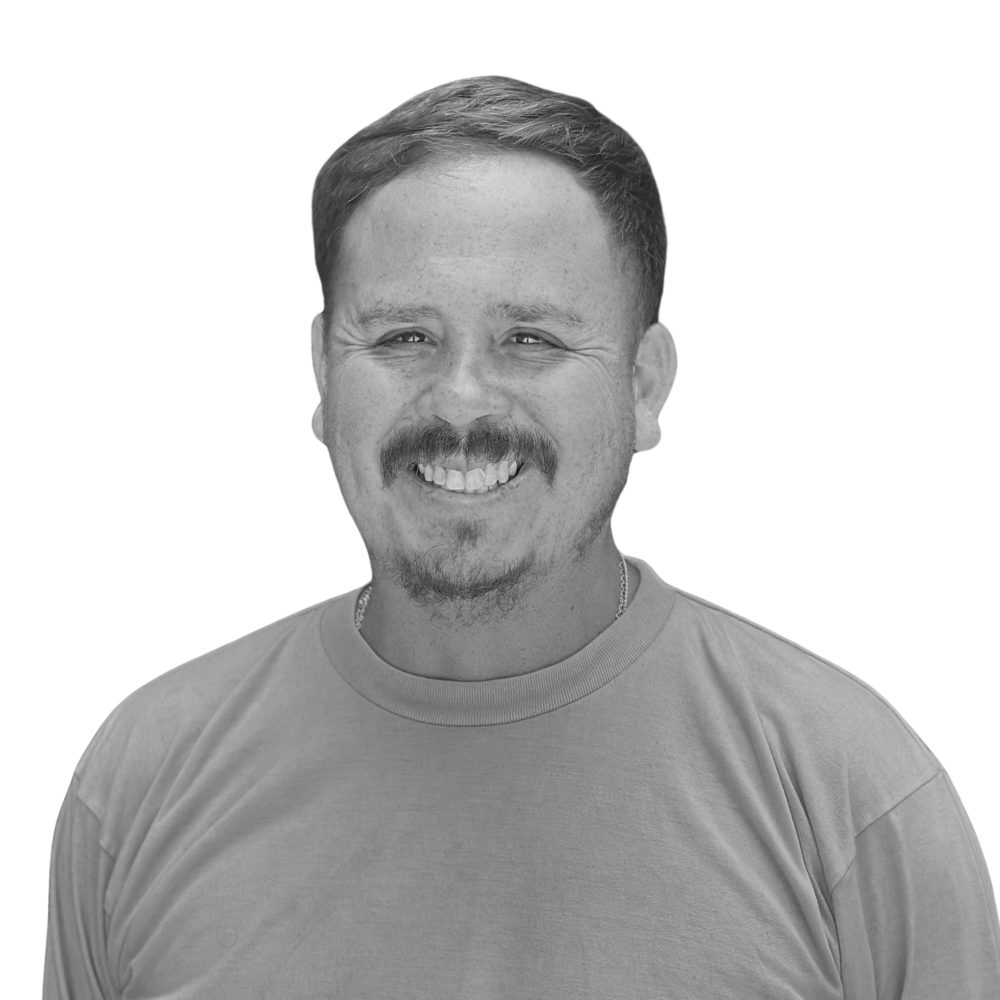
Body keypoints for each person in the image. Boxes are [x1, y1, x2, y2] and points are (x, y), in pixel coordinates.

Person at [44, 76, 1000, 999]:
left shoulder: (850, 796)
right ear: (324, 374)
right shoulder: (140, 788)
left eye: (531, 339)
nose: (461, 399)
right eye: (404, 337)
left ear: (643, 385)